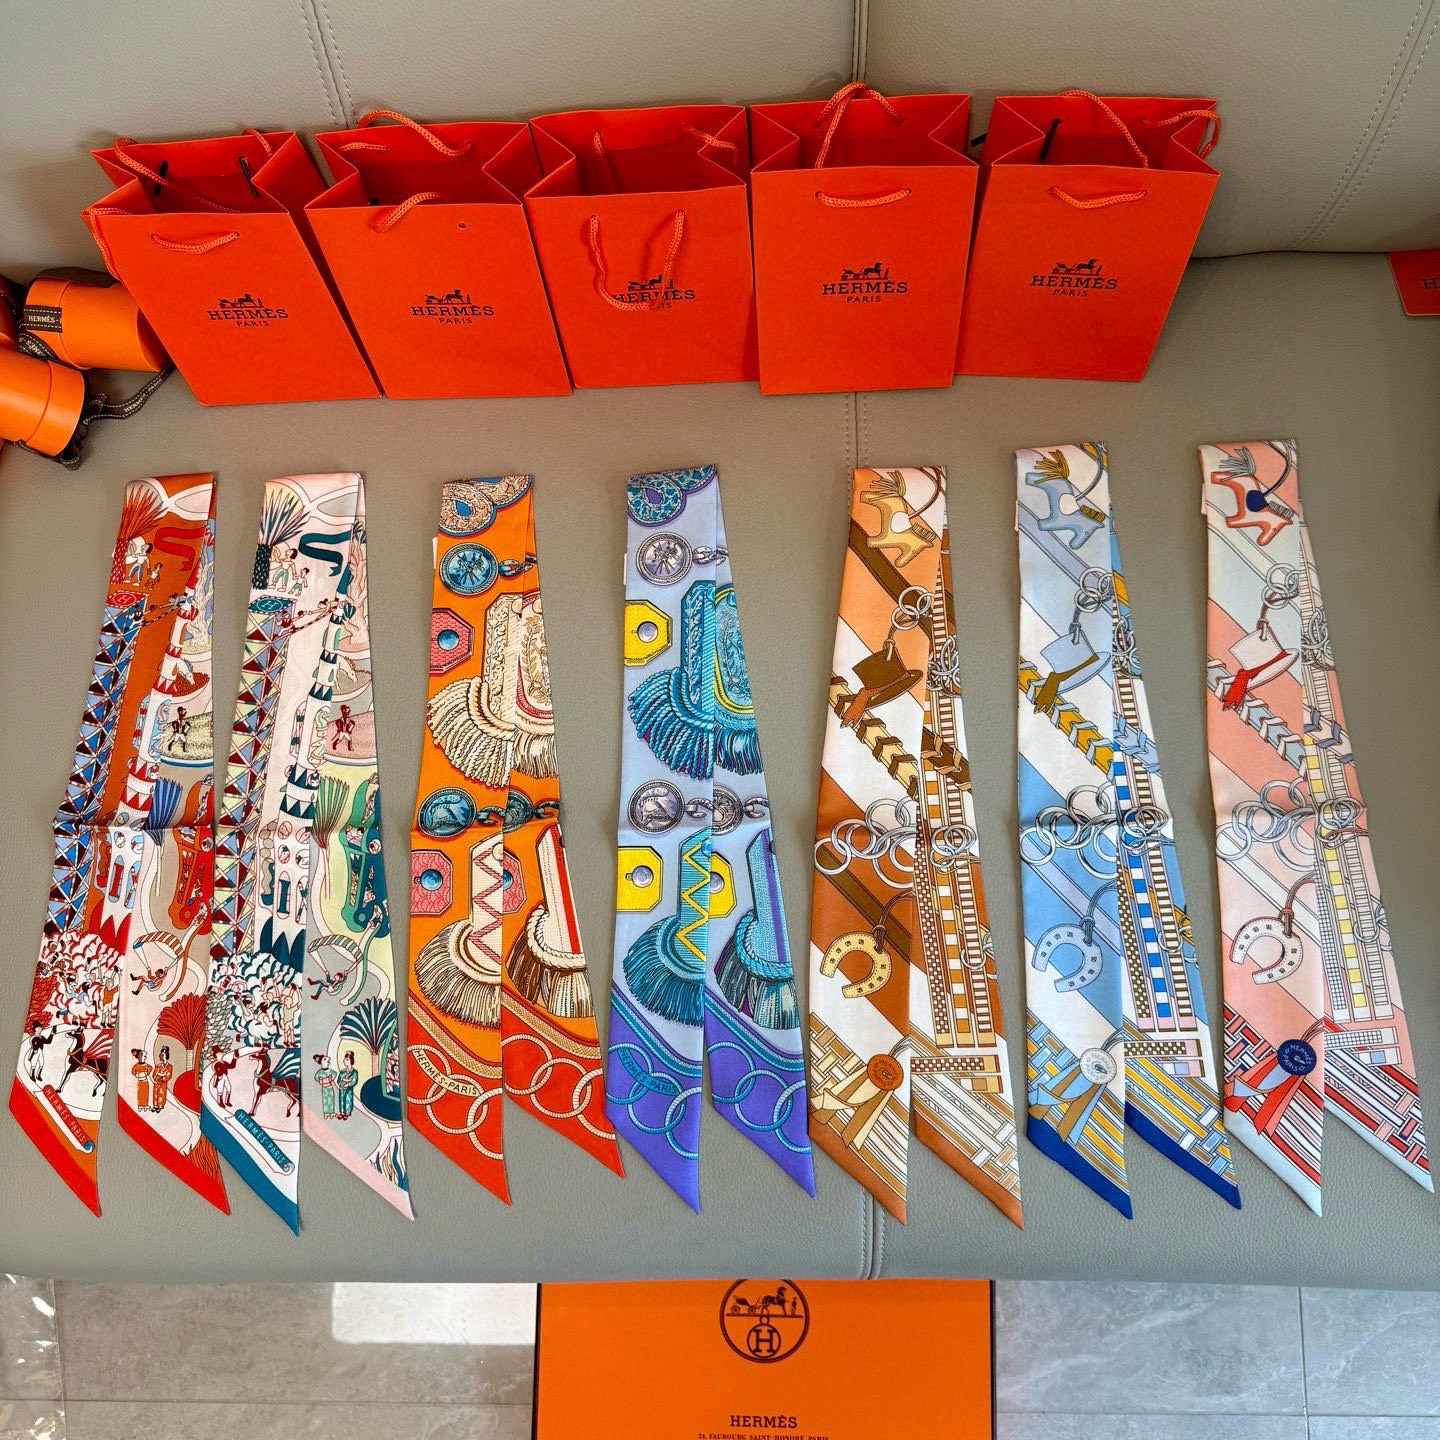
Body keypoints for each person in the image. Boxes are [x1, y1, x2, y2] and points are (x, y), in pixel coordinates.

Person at [313, 1052, 338, 1118]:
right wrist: (322, 1080)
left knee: (331, 1100)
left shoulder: (330, 1071)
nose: (327, 1060)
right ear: (321, 1062)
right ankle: (326, 1113)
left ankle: (331, 1113)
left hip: (330, 1087)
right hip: (324, 1088)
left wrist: (329, 1079)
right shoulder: (320, 1072)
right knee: (325, 1100)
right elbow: (316, 1078)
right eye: (324, 1059)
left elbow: (334, 1074)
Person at [336, 1049, 359, 1120]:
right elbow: (338, 1080)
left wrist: (348, 1083)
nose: (344, 1061)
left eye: (347, 1060)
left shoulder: (354, 1072)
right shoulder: (342, 1071)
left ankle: (347, 1113)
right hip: (342, 1088)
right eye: (345, 1059)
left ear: (351, 1060)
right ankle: (342, 1113)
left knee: (348, 1099)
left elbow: (354, 1080)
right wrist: (341, 1082)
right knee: (342, 1100)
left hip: (349, 1089)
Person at [151, 1045, 174, 1112]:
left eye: (163, 1055)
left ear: (166, 1055)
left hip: (163, 1083)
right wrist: (159, 1076)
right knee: (155, 1094)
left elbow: (169, 1075)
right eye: (161, 1054)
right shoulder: (158, 1066)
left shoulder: (169, 1066)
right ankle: (155, 1106)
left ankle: (160, 1106)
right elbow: (154, 1075)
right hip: (156, 1083)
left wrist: (163, 1077)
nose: (161, 1056)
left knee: (162, 1093)